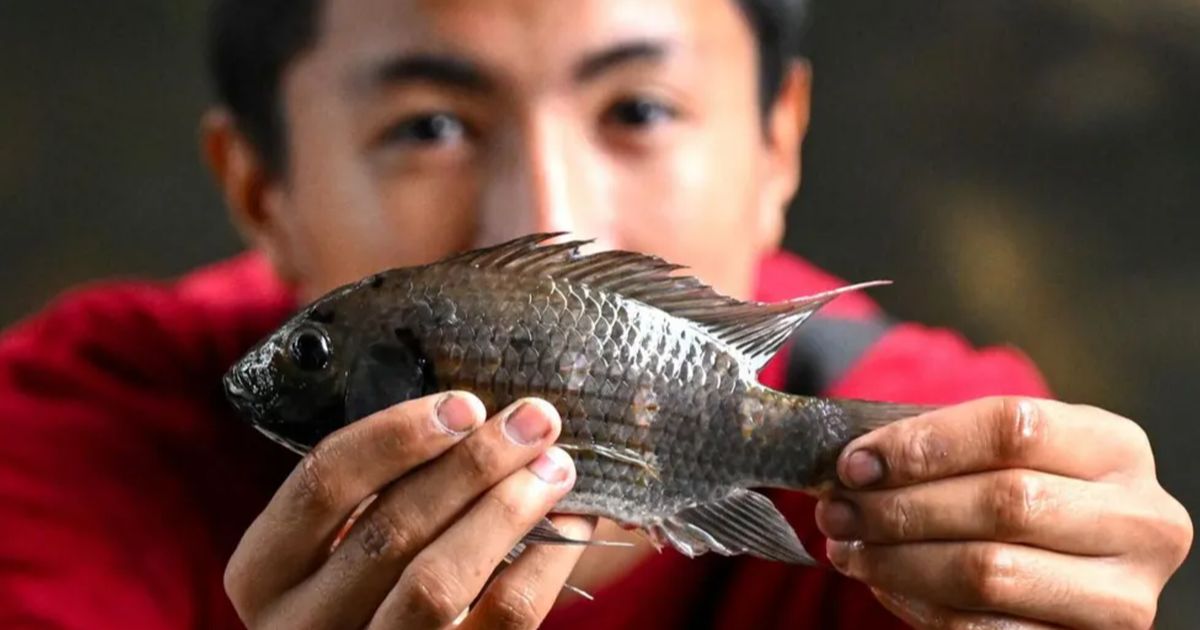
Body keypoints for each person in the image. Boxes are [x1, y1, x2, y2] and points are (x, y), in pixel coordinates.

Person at [0, 0, 1190, 627]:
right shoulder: (68, 434)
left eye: (640, 109)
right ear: (257, 184)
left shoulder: (939, 468)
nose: (551, 207)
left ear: (781, 144)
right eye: (429, 125)